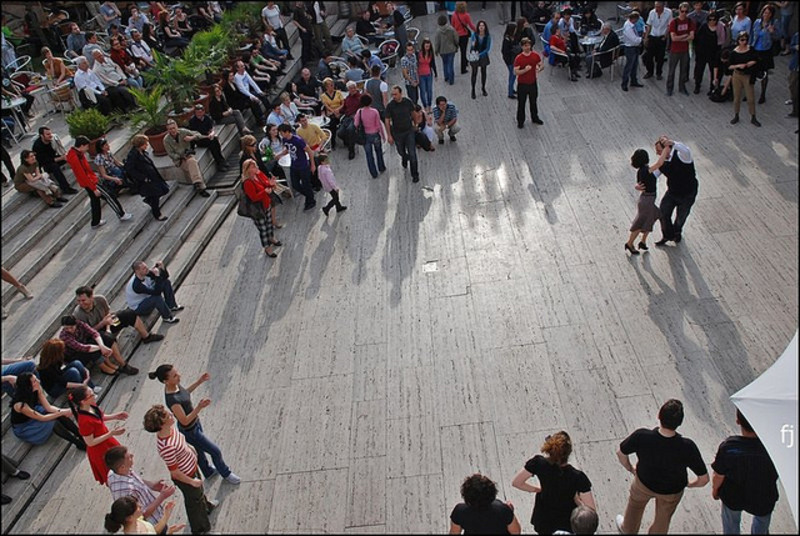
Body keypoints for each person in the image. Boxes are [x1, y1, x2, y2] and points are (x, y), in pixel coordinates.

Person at [615, 399, 709, 534]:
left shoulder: (642, 436)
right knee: (663, 520)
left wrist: (630, 468)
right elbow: (704, 479)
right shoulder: (687, 447)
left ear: (659, 416)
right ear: (680, 422)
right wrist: (689, 484)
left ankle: (628, 529)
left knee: (635, 506)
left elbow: (621, 453)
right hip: (671, 491)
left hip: (643, 482)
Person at [149, 364, 241, 484]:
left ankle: (208, 472)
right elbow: (184, 420)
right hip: (190, 430)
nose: (179, 376)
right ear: (166, 381)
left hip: (195, 424)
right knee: (215, 451)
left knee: (200, 453)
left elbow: (184, 394)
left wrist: (199, 382)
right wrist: (199, 407)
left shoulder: (175, 386)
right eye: (175, 375)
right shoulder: (172, 400)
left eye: (177, 373)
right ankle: (226, 473)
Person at [143, 405, 217, 535]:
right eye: (168, 416)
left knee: (199, 495)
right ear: (161, 425)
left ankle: (207, 507)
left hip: (191, 468)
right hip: (186, 476)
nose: (172, 414)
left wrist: (191, 450)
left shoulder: (171, 430)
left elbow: (182, 443)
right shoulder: (167, 447)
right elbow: (175, 472)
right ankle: (201, 530)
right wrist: (191, 481)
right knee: (194, 503)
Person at [511, 431, 596, 534]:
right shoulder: (578, 477)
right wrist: (577, 500)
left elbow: (517, 482)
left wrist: (538, 490)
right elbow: (591, 512)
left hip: (544, 516)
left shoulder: (538, 463)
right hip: (567, 519)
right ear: (568, 453)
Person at [711, 409, 779, 535]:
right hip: (764, 497)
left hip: (733, 496)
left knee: (730, 524)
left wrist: (715, 491)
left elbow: (718, 475)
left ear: (737, 421)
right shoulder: (773, 447)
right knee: (761, 525)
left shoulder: (729, 447)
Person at [67, 136, 132, 228]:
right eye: (86, 146)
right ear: (81, 146)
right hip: (91, 182)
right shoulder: (75, 157)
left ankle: (95, 222)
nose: (88, 149)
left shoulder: (76, 154)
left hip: (90, 180)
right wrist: (93, 188)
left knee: (95, 202)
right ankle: (121, 214)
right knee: (109, 196)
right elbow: (82, 174)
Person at [106, 446, 177, 530]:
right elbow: (142, 515)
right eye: (129, 457)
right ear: (122, 467)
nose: (132, 455)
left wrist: (152, 485)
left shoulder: (113, 474)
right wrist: (162, 496)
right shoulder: (128, 492)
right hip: (153, 524)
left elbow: (135, 479)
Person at [68, 385, 127, 486]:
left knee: (124, 465)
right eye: (91, 395)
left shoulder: (92, 406)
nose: (94, 396)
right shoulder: (84, 421)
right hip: (100, 450)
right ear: (83, 401)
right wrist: (111, 433)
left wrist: (115, 416)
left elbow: (101, 417)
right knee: (114, 476)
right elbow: (90, 442)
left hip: (107, 440)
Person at [10, 372, 86, 450]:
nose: (38, 381)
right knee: (53, 423)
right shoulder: (20, 405)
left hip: (34, 411)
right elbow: (42, 418)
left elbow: (48, 407)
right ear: (28, 386)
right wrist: (62, 412)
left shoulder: (36, 388)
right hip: (25, 426)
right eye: (35, 381)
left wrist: (63, 411)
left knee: (58, 414)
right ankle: (77, 443)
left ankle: (81, 435)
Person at [74, 284, 164, 345]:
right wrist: (103, 323)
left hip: (107, 323)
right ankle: (121, 364)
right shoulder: (78, 314)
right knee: (106, 337)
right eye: (78, 301)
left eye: (83, 300)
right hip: (94, 335)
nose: (81, 303)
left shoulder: (100, 299)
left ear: (91, 297)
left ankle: (146, 336)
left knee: (128, 313)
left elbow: (107, 312)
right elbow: (86, 333)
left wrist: (110, 321)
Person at [652, 136, 700, 245]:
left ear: (667, 149)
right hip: (672, 192)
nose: (658, 154)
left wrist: (673, 143)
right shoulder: (662, 163)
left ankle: (677, 232)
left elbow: (686, 150)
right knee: (663, 213)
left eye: (659, 151)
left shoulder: (682, 156)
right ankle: (668, 235)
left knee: (681, 217)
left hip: (688, 194)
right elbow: (654, 175)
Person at [624, 148, 668, 255]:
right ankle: (630, 243)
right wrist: (665, 150)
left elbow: (639, 185)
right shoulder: (646, 170)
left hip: (646, 200)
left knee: (654, 216)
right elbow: (660, 163)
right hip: (647, 201)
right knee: (640, 224)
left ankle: (643, 241)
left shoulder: (641, 171)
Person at [59, 314, 135, 375]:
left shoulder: (80, 324)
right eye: (66, 328)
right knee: (90, 349)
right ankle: (105, 368)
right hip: (74, 356)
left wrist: (101, 346)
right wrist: (101, 348)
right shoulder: (64, 336)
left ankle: (122, 363)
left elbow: (94, 332)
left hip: (85, 345)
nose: (69, 330)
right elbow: (81, 347)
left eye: (71, 327)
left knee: (102, 336)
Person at [449, 473, 521, 534]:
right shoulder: (502, 509)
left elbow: (454, 532)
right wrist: (510, 510)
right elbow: (516, 532)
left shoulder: (460, 511)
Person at [240, 158, 281, 257]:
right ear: (248, 169)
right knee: (263, 229)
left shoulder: (256, 176)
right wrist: (265, 192)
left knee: (269, 224)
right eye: (253, 166)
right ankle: (268, 248)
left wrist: (270, 184)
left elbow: (264, 184)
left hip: (266, 205)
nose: (256, 167)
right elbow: (254, 197)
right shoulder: (247, 182)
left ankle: (271, 238)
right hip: (258, 210)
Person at [37, 338, 101, 399]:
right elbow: (63, 383)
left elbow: (69, 361)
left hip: (60, 377)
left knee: (76, 363)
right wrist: (82, 385)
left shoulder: (57, 357)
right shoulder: (46, 368)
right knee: (73, 372)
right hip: (54, 388)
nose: (64, 350)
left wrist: (85, 370)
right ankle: (85, 393)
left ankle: (92, 387)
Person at [125, 135, 170, 221]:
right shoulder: (133, 155)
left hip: (153, 176)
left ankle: (149, 199)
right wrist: (143, 178)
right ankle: (157, 214)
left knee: (164, 189)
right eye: (145, 144)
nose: (147, 145)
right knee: (155, 195)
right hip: (146, 180)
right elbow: (130, 169)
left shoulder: (143, 152)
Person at [163, 119, 211, 197]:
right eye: (170, 129)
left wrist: (192, 138)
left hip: (189, 155)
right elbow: (171, 154)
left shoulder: (183, 132)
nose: (172, 130)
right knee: (193, 167)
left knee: (192, 161)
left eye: (173, 128)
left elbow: (197, 134)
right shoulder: (166, 140)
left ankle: (197, 184)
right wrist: (181, 156)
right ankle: (201, 187)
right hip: (180, 160)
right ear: (167, 130)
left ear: (176, 127)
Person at [276, 123, 317, 210]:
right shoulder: (285, 140)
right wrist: (279, 154)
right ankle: (309, 195)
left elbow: (309, 151)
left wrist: (312, 164)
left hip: (303, 165)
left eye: (282, 133)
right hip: (294, 165)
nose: (281, 135)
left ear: (287, 132)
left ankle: (310, 200)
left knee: (306, 184)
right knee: (295, 184)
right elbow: (288, 149)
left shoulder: (298, 140)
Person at [385, 85, 420, 183]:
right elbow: (387, 120)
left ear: (401, 93)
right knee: (400, 151)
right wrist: (389, 135)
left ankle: (415, 174)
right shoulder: (390, 106)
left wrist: (416, 124)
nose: (394, 96)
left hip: (409, 131)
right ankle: (404, 157)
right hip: (397, 133)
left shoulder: (407, 102)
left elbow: (413, 113)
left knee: (412, 154)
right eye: (392, 95)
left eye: (396, 94)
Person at [728, 30, 761, 127]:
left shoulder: (751, 50)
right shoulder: (734, 52)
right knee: (737, 97)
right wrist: (738, 65)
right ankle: (736, 115)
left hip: (747, 75)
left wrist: (750, 63)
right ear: (738, 40)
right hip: (737, 75)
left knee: (750, 98)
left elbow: (756, 59)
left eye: (746, 40)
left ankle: (753, 116)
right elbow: (729, 66)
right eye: (742, 40)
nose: (744, 42)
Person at [104, 496, 184, 535]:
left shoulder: (138, 520)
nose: (141, 505)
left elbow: (153, 531)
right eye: (137, 507)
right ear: (129, 518)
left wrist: (166, 514)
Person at [186, 104, 230, 172]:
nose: (199, 114)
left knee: (215, 141)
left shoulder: (207, 118)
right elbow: (194, 133)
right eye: (197, 112)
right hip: (199, 139)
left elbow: (211, 128)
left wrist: (212, 134)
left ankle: (221, 160)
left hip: (207, 136)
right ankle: (219, 163)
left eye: (200, 112)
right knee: (212, 143)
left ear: (203, 112)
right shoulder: (192, 121)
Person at [32, 126, 76, 194]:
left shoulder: (51, 140)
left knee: (70, 157)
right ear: (42, 136)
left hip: (52, 158)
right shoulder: (38, 146)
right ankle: (65, 188)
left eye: (50, 133)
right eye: (48, 134)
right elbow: (46, 161)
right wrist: (61, 158)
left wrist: (64, 156)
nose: (50, 136)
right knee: (54, 166)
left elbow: (58, 151)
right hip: (44, 165)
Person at [665, 3, 695, 97]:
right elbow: (673, 38)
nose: (684, 13)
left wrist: (680, 37)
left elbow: (692, 36)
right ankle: (669, 88)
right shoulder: (674, 22)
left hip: (685, 50)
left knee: (683, 70)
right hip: (674, 50)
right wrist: (685, 36)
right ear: (679, 10)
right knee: (671, 71)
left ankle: (682, 87)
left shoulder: (690, 21)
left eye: (686, 12)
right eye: (682, 11)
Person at [513, 37, 544, 128]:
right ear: (522, 47)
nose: (527, 47)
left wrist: (539, 68)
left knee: (533, 102)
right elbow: (515, 72)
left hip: (532, 83)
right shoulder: (519, 58)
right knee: (521, 103)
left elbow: (541, 64)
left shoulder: (535, 55)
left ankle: (535, 117)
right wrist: (525, 70)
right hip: (522, 84)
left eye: (528, 45)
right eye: (525, 46)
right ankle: (520, 121)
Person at [354, 93, 386, 178]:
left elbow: (356, 124)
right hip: (375, 134)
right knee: (379, 152)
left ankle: (373, 173)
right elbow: (379, 125)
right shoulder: (375, 111)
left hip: (365, 136)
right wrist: (383, 136)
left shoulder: (359, 112)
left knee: (369, 155)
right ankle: (381, 167)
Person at [750, 4, 777, 104]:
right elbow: (752, 35)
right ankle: (750, 93)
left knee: (764, 73)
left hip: (766, 51)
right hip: (755, 49)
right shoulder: (757, 22)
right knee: (752, 71)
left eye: (768, 13)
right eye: (765, 12)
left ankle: (763, 94)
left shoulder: (774, 23)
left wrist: (772, 32)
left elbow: (779, 36)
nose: (766, 14)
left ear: (771, 15)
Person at [693, 12, 721, 94]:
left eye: (714, 19)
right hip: (702, 53)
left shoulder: (719, 28)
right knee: (699, 70)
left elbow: (722, 40)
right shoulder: (704, 26)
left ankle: (712, 88)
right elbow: (697, 38)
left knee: (713, 71)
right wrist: (697, 51)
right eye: (710, 19)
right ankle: (697, 86)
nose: (712, 21)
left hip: (713, 54)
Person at [643, 2, 671, 81]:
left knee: (660, 57)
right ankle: (650, 72)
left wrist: (665, 35)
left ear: (663, 6)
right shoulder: (652, 12)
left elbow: (669, 25)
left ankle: (659, 73)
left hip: (662, 37)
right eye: (656, 7)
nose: (657, 9)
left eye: (658, 7)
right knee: (649, 56)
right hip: (653, 36)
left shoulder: (668, 12)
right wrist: (646, 37)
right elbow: (649, 25)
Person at [452, 2, 476, 75]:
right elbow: (471, 25)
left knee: (459, 51)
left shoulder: (454, 15)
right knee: (463, 51)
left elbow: (452, 25)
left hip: (456, 35)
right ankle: (463, 68)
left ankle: (465, 62)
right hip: (464, 36)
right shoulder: (466, 15)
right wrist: (477, 31)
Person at [469, 21, 492, 99]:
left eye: (483, 25)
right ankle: (473, 89)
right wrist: (473, 49)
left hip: (483, 56)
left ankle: (483, 88)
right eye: (480, 25)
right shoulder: (474, 35)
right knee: (474, 73)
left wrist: (480, 54)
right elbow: (471, 46)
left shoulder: (487, 36)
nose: (481, 27)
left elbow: (487, 48)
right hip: (475, 56)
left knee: (484, 72)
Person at [435, 15, 459, 87]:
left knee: (444, 63)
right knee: (450, 64)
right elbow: (456, 39)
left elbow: (437, 42)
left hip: (442, 51)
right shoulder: (451, 29)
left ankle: (446, 77)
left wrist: (436, 50)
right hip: (451, 50)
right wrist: (456, 46)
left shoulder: (438, 31)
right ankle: (451, 80)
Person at [502, 23, 518, 99]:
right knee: (513, 75)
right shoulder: (507, 40)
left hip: (511, 59)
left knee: (512, 75)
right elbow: (505, 51)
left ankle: (511, 89)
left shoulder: (509, 38)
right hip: (510, 60)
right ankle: (510, 93)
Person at [789, 32, 799, 119]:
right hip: (795, 67)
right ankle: (795, 111)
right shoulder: (796, 35)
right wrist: (795, 47)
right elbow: (791, 47)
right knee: (792, 86)